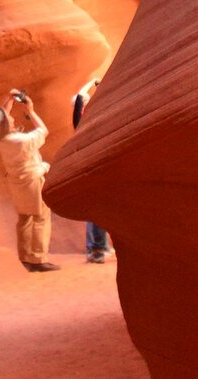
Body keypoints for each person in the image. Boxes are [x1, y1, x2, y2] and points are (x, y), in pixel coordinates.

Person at [0, 89, 60, 272]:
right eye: (9, 119)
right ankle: (38, 258)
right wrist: (30, 111)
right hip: (32, 181)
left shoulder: (0, 139)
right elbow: (44, 131)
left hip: (17, 184)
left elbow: (2, 117)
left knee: (24, 219)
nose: (11, 119)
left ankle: (25, 257)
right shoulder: (20, 141)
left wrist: (9, 100)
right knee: (40, 217)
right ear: (6, 124)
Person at [72, 77, 112, 264]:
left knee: (102, 206)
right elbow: (80, 96)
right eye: (86, 102)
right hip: (91, 165)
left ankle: (100, 246)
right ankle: (95, 250)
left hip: (96, 163)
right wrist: (92, 82)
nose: (89, 102)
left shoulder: (89, 118)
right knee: (97, 208)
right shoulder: (80, 120)